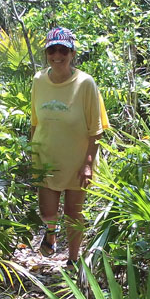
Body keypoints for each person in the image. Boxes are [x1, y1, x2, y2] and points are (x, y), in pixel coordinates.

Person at [30, 27, 109, 268]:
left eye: (63, 50)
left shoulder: (86, 83)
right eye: (52, 50)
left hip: (77, 161)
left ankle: (73, 260)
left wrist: (88, 164)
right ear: (46, 54)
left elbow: (96, 129)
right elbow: (34, 122)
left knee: (73, 215)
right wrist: (31, 154)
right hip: (45, 157)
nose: (57, 55)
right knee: (47, 212)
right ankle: (51, 234)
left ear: (72, 53)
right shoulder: (38, 80)